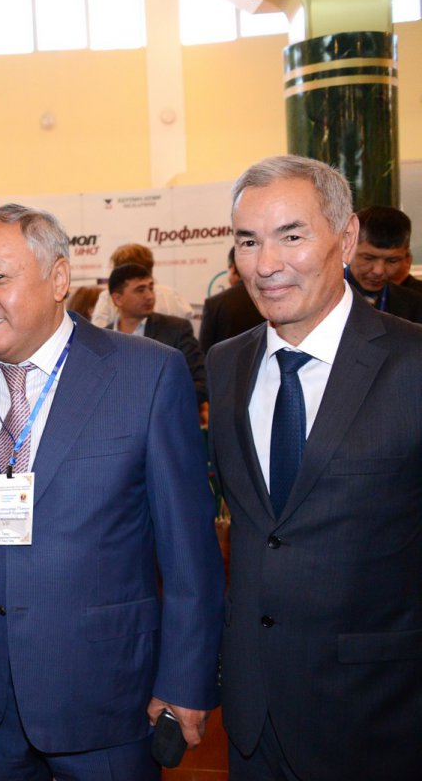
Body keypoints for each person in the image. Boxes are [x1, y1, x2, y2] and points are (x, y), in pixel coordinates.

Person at [0, 203, 224, 780]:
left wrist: (184, 679)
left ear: (58, 278)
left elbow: (188, 550)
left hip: (107, 693)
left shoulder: (147, 374)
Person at [210, 156, 422, 780]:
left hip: (379, 715)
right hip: (252, 718)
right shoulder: (225, 365)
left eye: (291, 235)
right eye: (249, 241)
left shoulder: (414, 363)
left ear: (346, 238)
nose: (265, 264)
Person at [108, 262, 208, 417]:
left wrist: (155, 404)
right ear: (118, 299)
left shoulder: (176, 330)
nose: (149, 296)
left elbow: (201, 383)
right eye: (140, 290)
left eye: (151, 287)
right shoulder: (103, 337)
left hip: (165, 424)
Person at [345, 204, 422, 323]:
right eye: (368, 258)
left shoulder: (414, 306)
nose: (379, 271)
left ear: (406, 256)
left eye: (392, 261)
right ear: (348, 245)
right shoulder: (320, 295)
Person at [89, 242, 192, 328]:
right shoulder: (171, 294)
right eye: (140, 290)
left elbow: (97, 333)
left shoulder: (108, 296)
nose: (149, 297)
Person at [199, 247, 265, 356]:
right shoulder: (271, 299)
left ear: (233, 268)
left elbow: (204, 353)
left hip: (223, 365)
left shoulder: (214, 304)